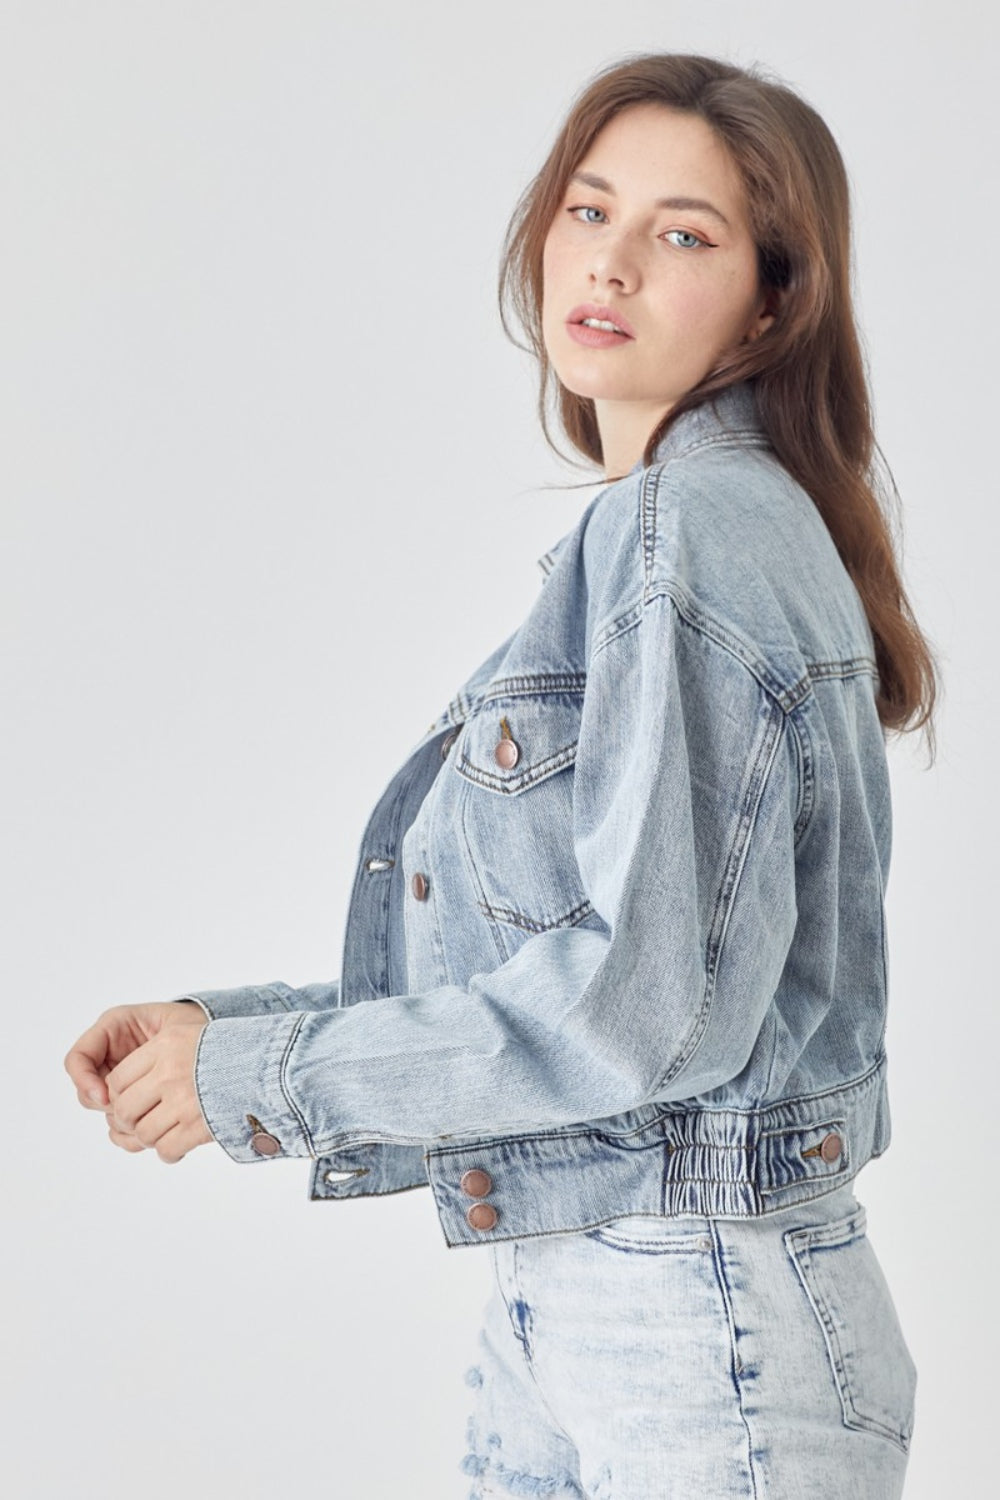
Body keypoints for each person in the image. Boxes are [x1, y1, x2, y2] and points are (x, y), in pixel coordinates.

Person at [65, 51, 938, 1500]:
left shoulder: (692, 535)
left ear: (774, 298)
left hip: (696, 1325)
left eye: (684, 234)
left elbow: (633, 1019)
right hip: (603, 1304)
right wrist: (225, 1031)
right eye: (590, 211)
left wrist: (260, 1079)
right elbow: (567, 970)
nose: (612, 263)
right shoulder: (690, 527)